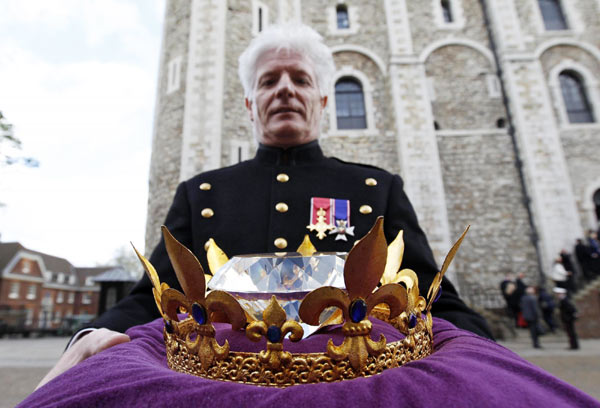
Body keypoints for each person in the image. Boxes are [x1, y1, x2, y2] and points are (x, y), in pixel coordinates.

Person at [36, 24, 491, 389]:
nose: (286, 90)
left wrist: (482, 351)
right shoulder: (201, 194)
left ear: (323, 100)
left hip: (353, 387)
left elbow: (432, 298)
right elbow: (151, 299)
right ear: (250, 105)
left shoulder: (375, 188)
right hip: (220, 387)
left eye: (301, 80)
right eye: (270, 81)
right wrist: (88, 336)